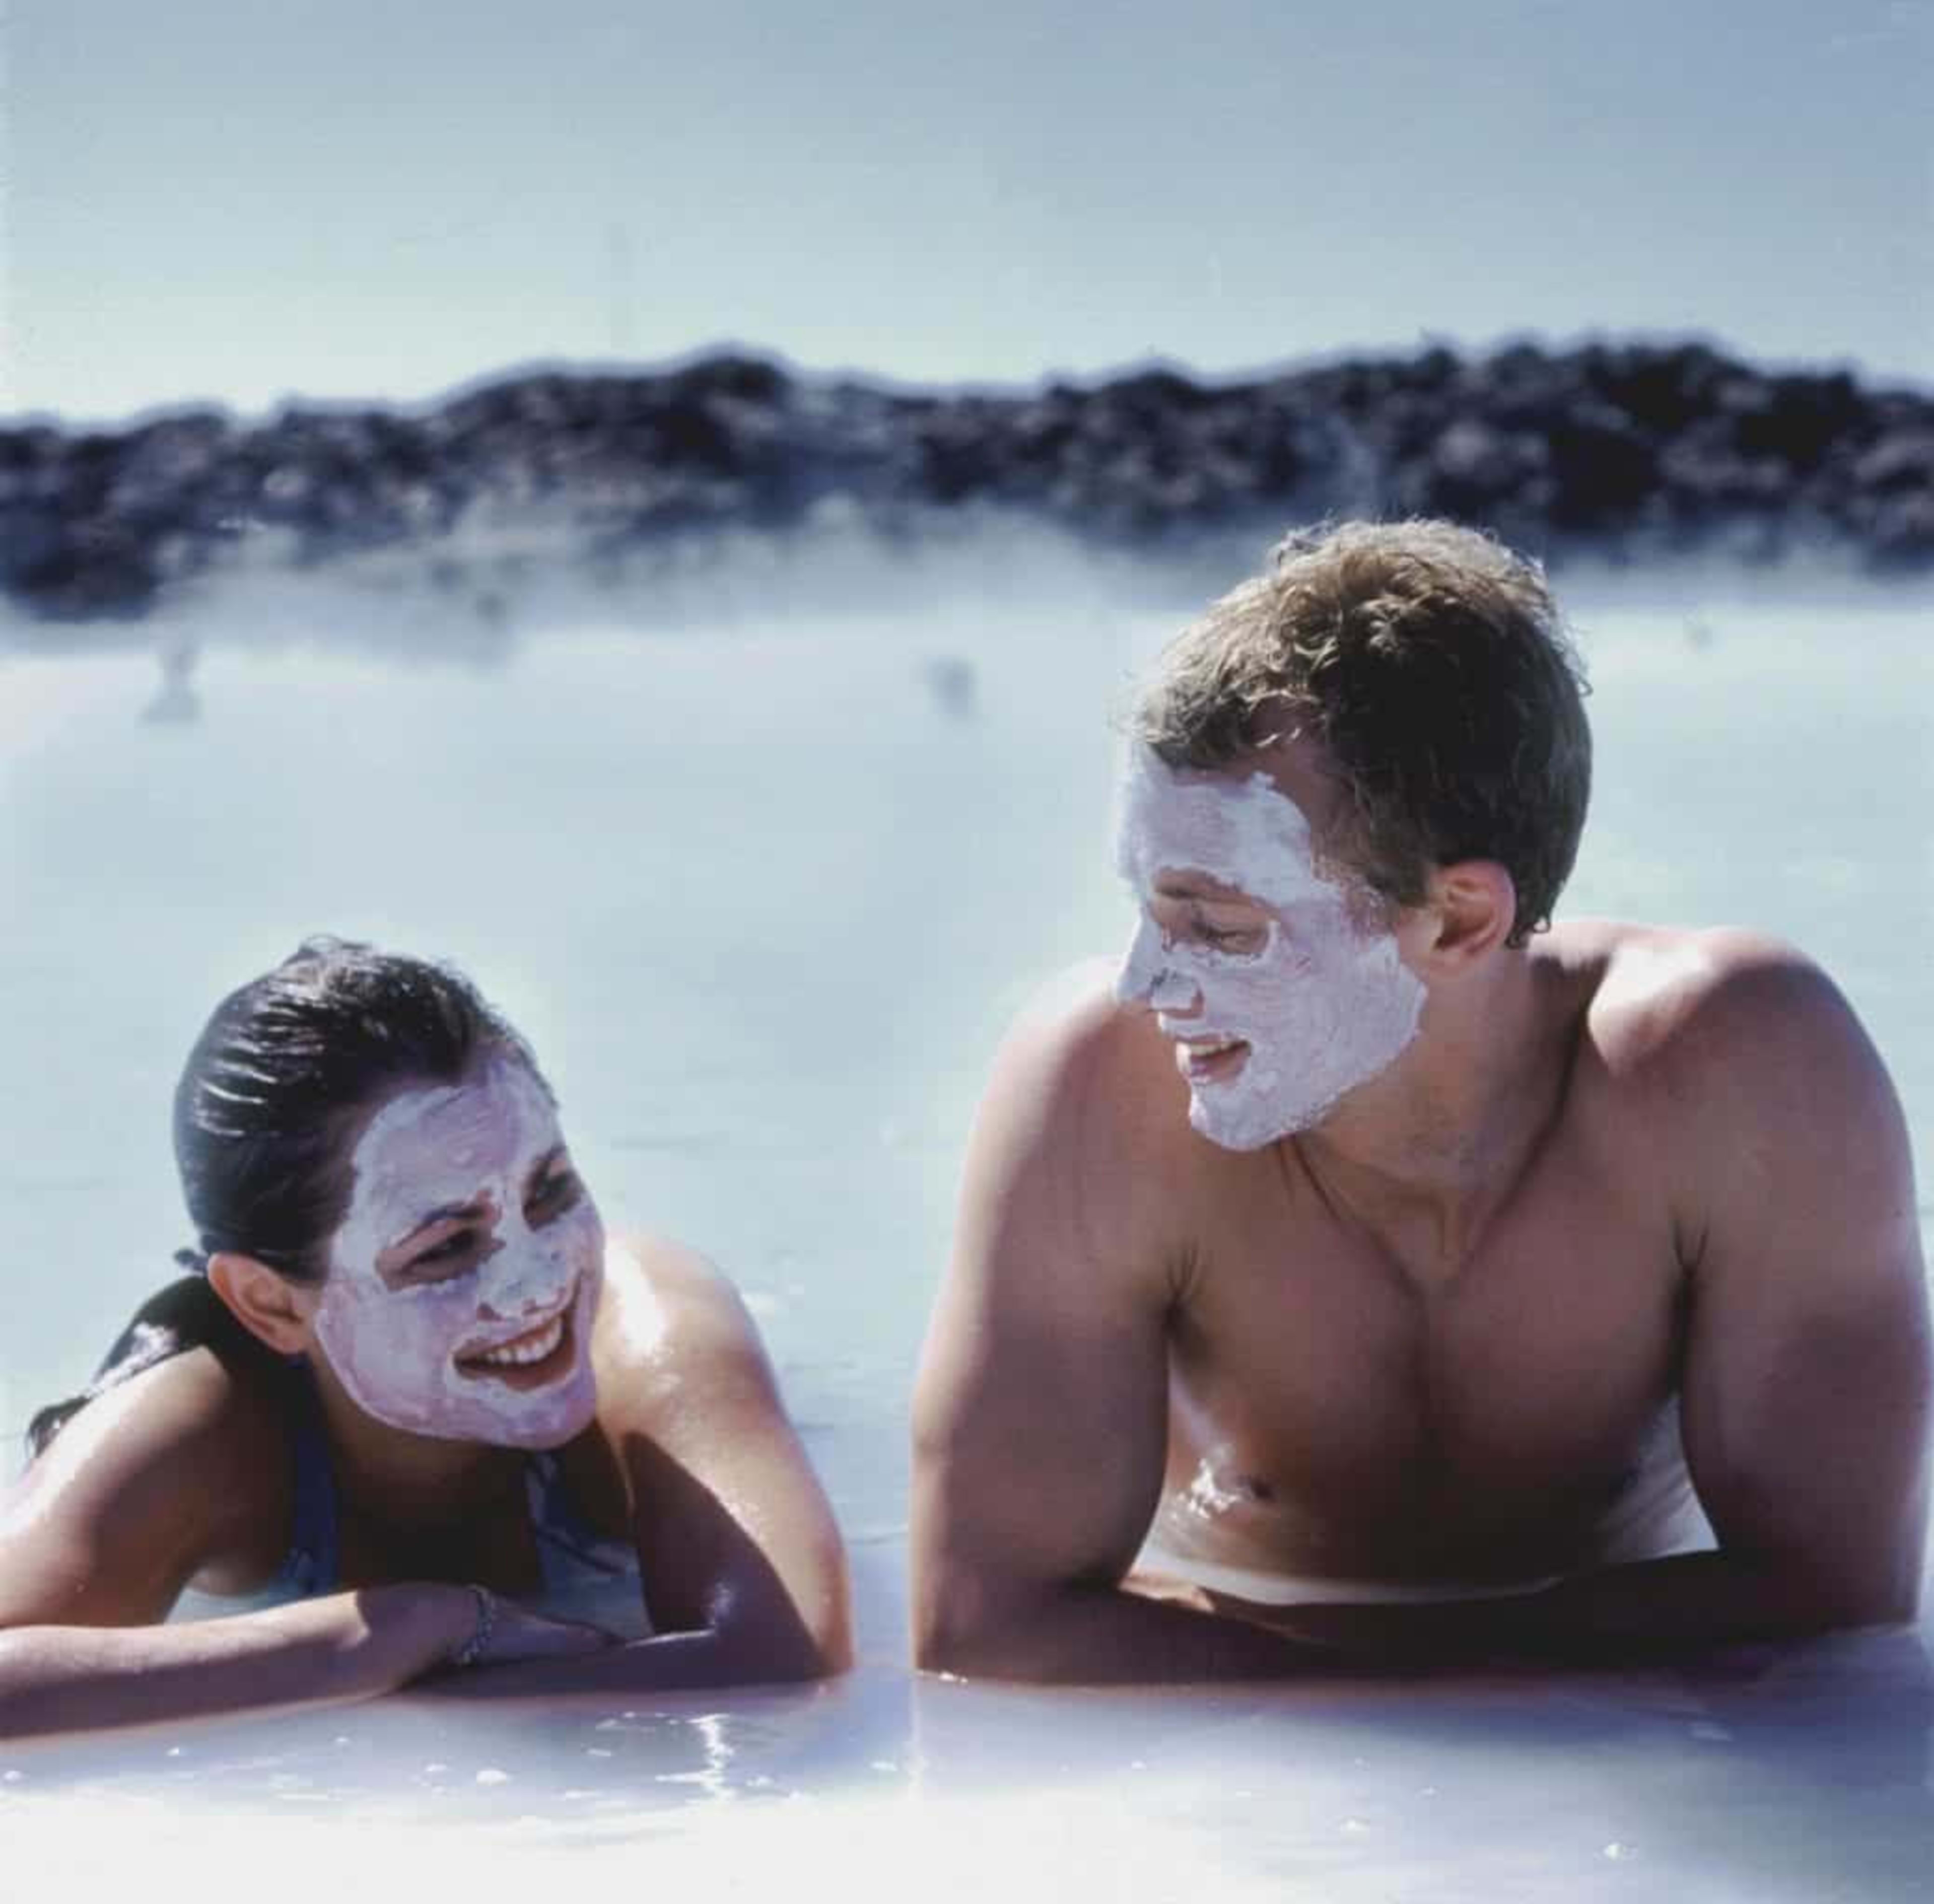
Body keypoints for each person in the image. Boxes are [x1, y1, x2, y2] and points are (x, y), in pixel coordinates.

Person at [912, 519, 1930, 1682]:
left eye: (1219, 926)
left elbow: (1835, 1595)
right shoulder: (1093, 1083)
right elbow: (985, 1627)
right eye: (1143, 906)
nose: (1145, 980)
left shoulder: (1740, 1072)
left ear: (1458, 921)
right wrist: (1422, 1713)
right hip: (1281, 1773)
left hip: (1576, 1752)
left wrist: (1406, 1708)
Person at [0, 938, 850, 1736]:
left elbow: (785, 1662)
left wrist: (395, 1691)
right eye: (446, 1248)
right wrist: (394, 1630)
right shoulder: (207, 1420)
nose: (540, 1281)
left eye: (551, 1192)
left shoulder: (648, 1329)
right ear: (271, 1305)